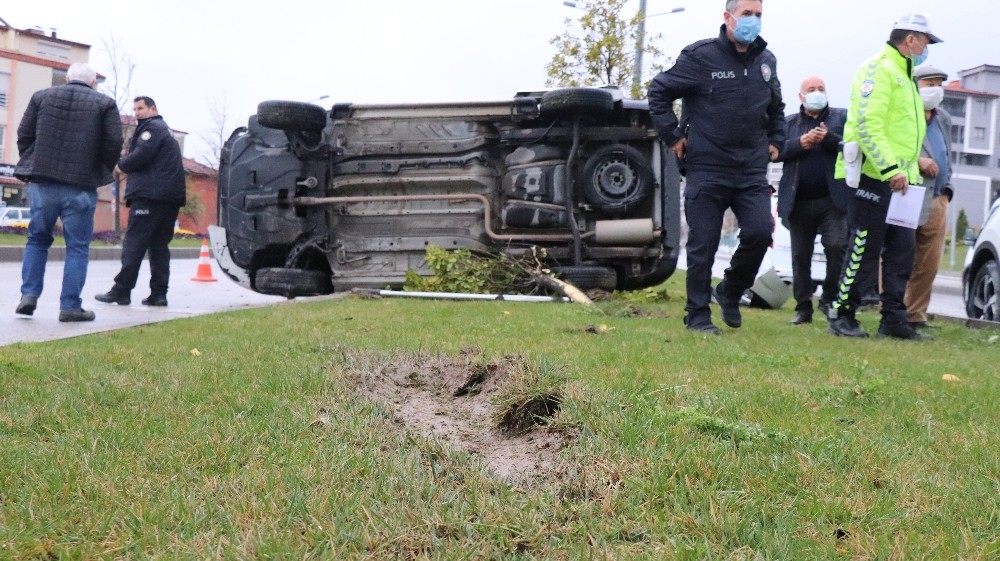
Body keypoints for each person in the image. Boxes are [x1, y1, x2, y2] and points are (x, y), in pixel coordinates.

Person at [648, 0, 784, 334]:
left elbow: (777, 108)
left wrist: (777, 141)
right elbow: (659, 91)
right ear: (728, 18)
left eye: (758, 15)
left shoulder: (767, 61)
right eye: (746, 14)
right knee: (703, 244)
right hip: (707, 166)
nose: (753, 21)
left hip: (751, 169)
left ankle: (730, 290)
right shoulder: (700, 56)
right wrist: (673, 136)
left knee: (758, 233)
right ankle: (697, 316)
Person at [828, 13, 942, 341]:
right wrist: (890, 169)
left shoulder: (905, 75)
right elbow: (867, 124)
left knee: (901, 251)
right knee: (864, 247)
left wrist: (905, 172)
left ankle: (893, 319)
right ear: (910, 40)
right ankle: (841, 313)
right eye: (925, 42)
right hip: (873, 175)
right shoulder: (879, 69)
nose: (926, 49)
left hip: (904, 182)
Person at [14, 63, 124, 322]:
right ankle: (70, 306)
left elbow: (23, 134)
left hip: (43, 182)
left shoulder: (41, 97)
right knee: (77, 248)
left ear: (67, 78)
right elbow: (114, 142)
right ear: (93, 82)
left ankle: (29, 296)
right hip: (81, 185)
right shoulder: (104, 104)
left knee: (37, 240)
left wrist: (33, 160)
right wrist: (100, 169)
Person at [95, 96, 186, 307]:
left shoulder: (151, 128)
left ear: (153, 109)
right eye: (135, 109)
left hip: (149, 197)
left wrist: (121, 165)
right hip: (169, 198)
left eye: (141, 108)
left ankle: (121, 291)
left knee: (134, 244)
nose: (137, 113)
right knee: (159, 246)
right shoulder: (164, 129)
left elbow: (142, 155)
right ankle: (159, 293)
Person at [776, 76, 849, 325]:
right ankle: (803, 307)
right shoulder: (788, 124)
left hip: (833, 199)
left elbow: (851, 147)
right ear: (801, 96)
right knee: (800, 256)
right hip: (798, 200)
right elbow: (773, 152)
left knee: (837, 246)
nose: (817, 92)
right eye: (811, 89)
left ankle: (829, 299)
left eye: (821, 89)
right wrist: (801, 143)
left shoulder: (841, 118)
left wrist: (827, 139)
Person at [904, 65, 954, 330]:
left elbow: (947, 152)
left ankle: (915, 315)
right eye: (929, 83)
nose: (935, 89)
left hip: (938, 196)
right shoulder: (904, 114)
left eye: (939, 83)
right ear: (915, 86)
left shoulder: (943, 118)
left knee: (929, 262)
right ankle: (894, 310)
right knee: (901, 256)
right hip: (909, 194)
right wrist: (917, 161)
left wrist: (948, 187)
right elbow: (892, 147)